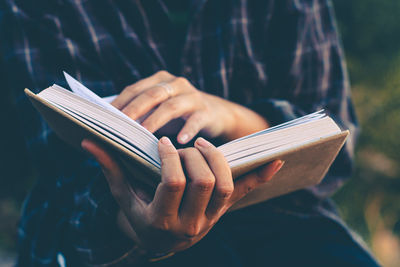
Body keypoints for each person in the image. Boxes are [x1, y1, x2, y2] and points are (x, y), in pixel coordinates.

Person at [0, 0, 379, 266]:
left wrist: (229, 116)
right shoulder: (39, 6)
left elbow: (335, 143)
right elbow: (66, 172)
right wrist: (138, 229)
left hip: (286, 219)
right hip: (107, 240)